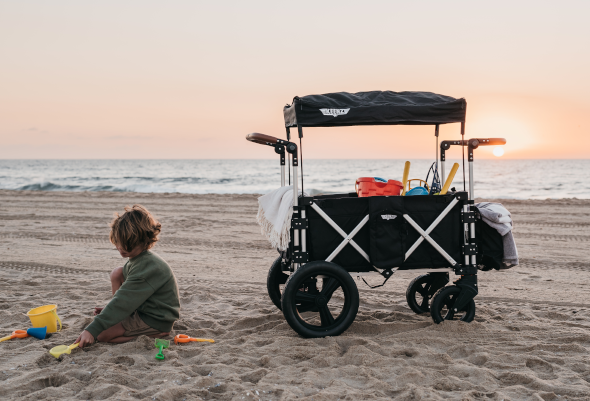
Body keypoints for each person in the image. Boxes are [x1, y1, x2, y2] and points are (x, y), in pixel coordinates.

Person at [75, 204, 180, 347]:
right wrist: (110, 311)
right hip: (146, 308)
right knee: (117, 272)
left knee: (101, 334)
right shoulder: (138, 260)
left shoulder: (148, 267)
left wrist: (92, 330)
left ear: (145, 241)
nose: (121, 248)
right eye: (118, 242)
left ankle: (152, 333)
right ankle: (120, 317)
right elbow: (123, 298)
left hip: (156, 318)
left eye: (128, 244)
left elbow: (123, 300)